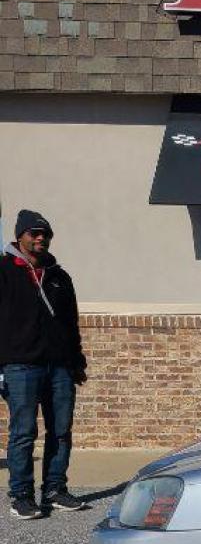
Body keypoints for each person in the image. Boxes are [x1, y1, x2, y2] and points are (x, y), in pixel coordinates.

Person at [1, 210, 88, 519]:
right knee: (23, 432)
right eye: (34, 233)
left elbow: (70, 323)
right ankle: (21, 496)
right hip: (20, 365)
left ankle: (54, 489)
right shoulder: (5, 271)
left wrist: (76, 362)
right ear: (20, 235)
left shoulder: (59, 277)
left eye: (45, 234)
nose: (40, 238)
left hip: (60, 367)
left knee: (61, 431)